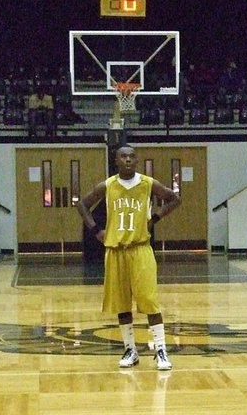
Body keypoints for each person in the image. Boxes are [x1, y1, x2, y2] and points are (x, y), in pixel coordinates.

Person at [77, 145, 181, 370]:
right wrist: (96, 230)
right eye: (123, 156)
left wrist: (154, 218)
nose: (128, 160)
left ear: (137, 161)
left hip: (140, 248)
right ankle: (130, 349)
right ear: (116, 161)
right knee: (121, 304)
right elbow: (82, 204)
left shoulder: (147, 183)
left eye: (132, 157)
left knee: (150, 301)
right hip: (115, 250)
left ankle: (161, 350)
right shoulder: (107, 185)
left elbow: (174, 199)